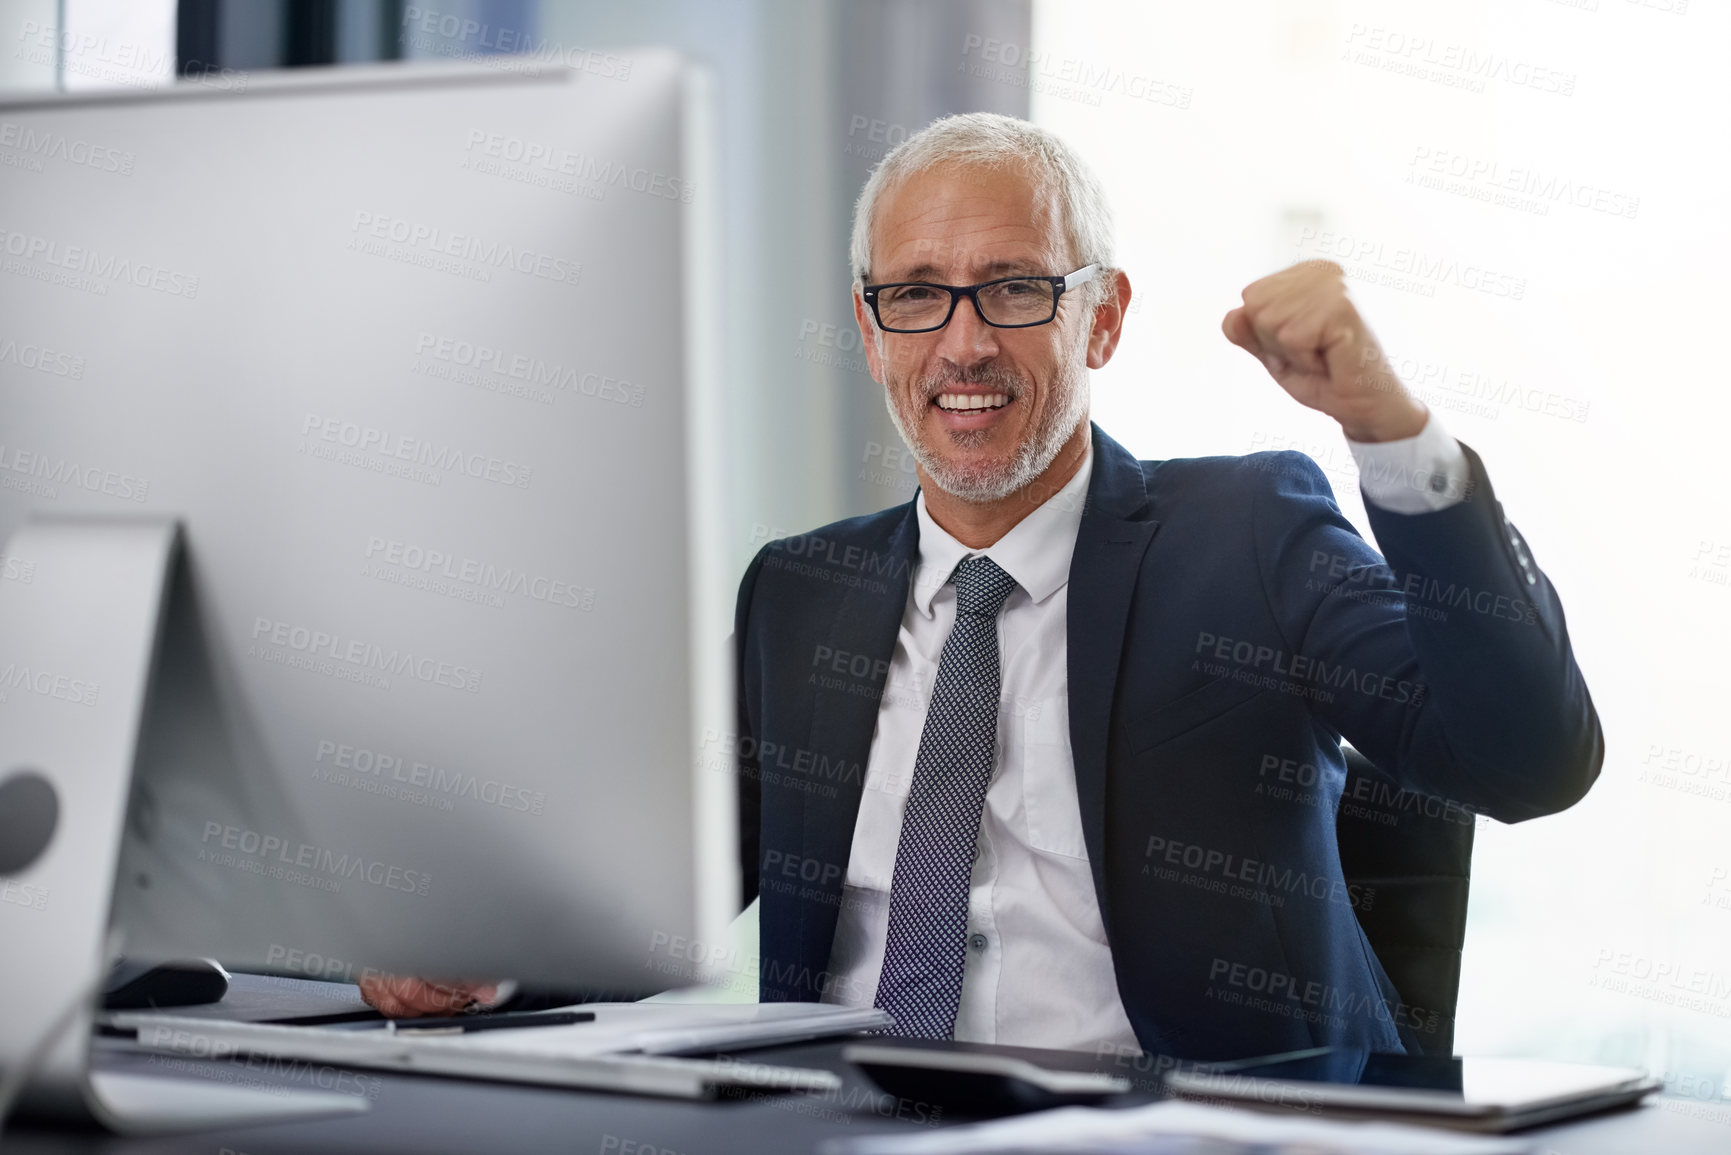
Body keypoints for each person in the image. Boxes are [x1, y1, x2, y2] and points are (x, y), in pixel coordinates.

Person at [367, 113, 1601, 1060]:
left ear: (1102, 320)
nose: (962, 343)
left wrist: (1389, 433)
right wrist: (492, 967)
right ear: (870, 329)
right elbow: (662, 897)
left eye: (1015, 288)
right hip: (835, 1121)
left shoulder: (1247, 534)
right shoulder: (800, 592)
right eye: (917, 295)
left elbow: (1528, 759)